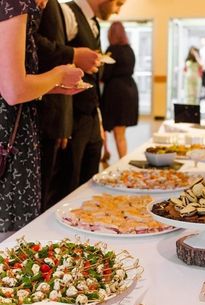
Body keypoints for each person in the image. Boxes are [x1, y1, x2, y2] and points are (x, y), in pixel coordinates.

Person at [0, 0, 84, 236]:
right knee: (13, 243)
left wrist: (52, 85)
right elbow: (13, 89)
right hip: (9, 141)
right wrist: (59, 73)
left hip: (11, 133)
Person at [35, 0, 100, 211]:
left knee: (50, 195)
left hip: (55, 114)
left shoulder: (58, 7)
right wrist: (73, 55)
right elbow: (33, 46)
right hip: (36, 114)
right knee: (45, 197)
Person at [61, 0, 127, 190]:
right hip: (71, 116)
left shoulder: (94, 23)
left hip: (90, 115)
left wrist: (97, 119)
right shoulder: (67, 13)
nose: (117, 11)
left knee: (90, 180)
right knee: (69, 182)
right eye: (118, 3)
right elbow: (51, 57)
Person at [101, 21, 139, 159]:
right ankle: (108, 153)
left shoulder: (112, 50)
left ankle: (122, 161)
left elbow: (106, 74)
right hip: (130, 89)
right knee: (121, 132)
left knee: (112, 129)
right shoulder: (130, 50)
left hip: (116, 91)